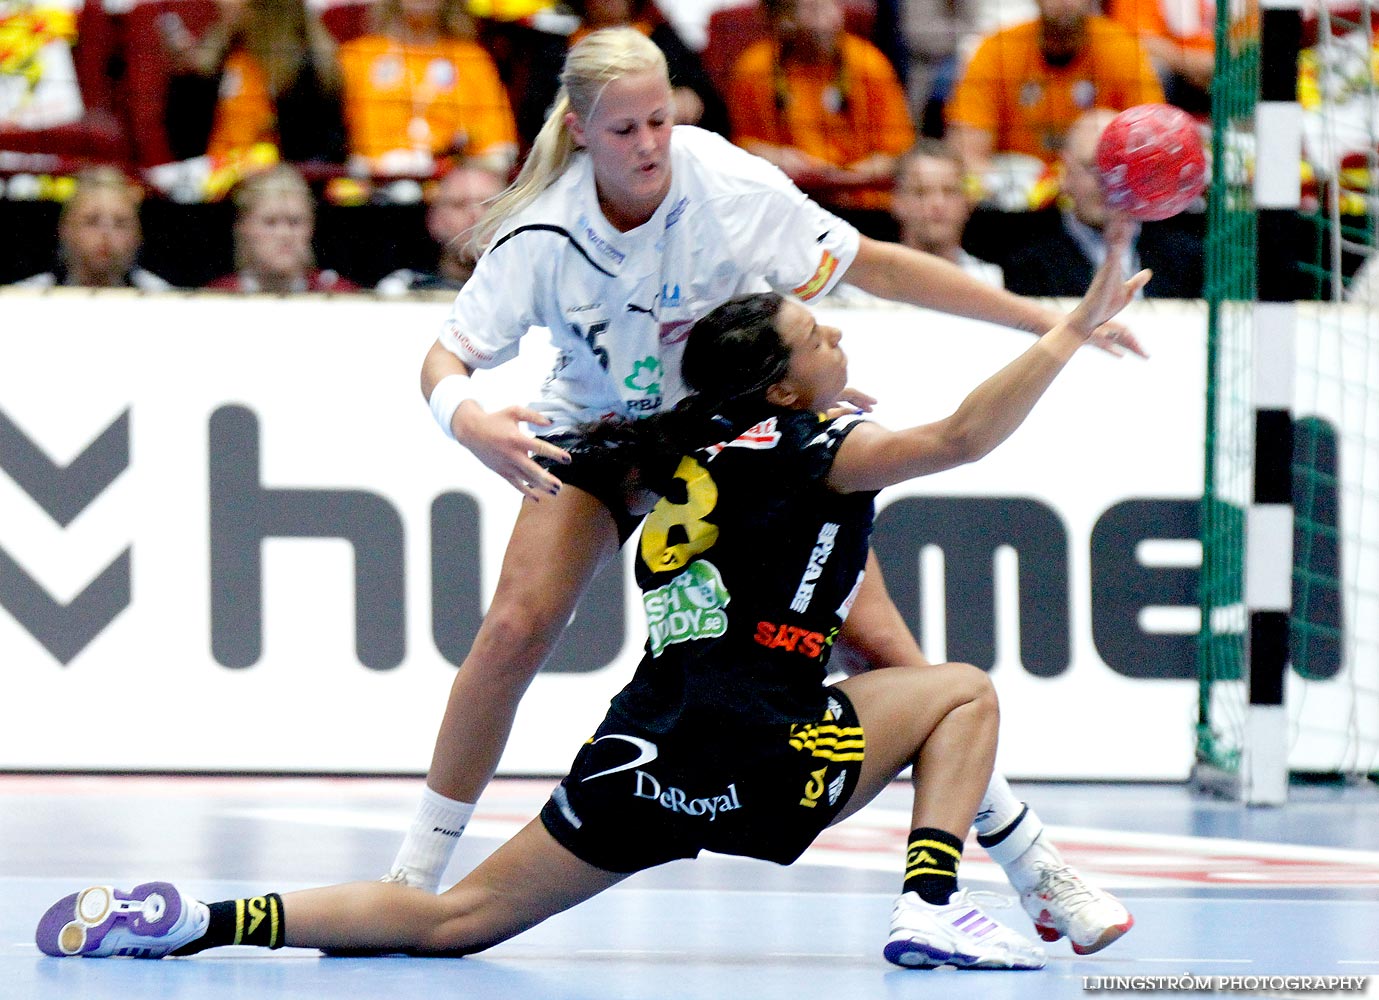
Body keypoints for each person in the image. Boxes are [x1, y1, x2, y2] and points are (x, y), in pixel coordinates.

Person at [35, 225, 1150, 966]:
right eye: (819, 332)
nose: (839, 332)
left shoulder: (670, 449)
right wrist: (1059, 329)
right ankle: (927, 901)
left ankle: (194, 919)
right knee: (954, 692)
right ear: (779, 380)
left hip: (646, 749)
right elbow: (959, 434)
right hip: (761, 743)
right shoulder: (814, 444)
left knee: (454, 919)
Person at [403, 27, 1137, 957]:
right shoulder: (544, 230)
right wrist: (468, 419)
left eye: (660, 120)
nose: (648, 145)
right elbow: (444, 356)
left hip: (729, 440)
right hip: (602, 441)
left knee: (892, 657)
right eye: (624, 128)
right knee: (512, 630)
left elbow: (870, 262)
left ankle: (1034, 872)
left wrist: (1046, 318)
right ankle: (414, 877)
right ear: (579, 131)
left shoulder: (725, 183)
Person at [725, 0, 915, 222]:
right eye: (813, 9)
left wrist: (845, 178)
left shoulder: (870, 64)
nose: (829, 18)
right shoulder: (754, 68)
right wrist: (777, 157)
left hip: (863, 208)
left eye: (831, 5)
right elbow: (740, 147)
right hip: (783, 207)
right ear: (785, 19)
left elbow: (897, 155)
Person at [945, 0, 1164, 181]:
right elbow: (966, 154)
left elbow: (1150, 149)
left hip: (1097, 197)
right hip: (1018, 211)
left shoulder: (1122, 48)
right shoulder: (997, 49)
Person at [1004, 108, 1203, 298]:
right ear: (1065, 170)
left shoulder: (1188, 259)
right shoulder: (1028, 266)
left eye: (1119, 169)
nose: (1108, 182)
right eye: (1093, 167)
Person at [337, 0, 518, 176]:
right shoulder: (355, 57)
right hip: (371, 187)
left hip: (450, 189)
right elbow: (336, 139)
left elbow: (498, 148)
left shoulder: (473, 60)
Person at [159, 0, 348, 164]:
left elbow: (325, 153)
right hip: (217, 184)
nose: (221, 2)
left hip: (282, 188)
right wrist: (184, 80)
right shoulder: (219, 58)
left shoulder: (310, 68)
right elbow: (185, 147)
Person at [12, 167, 174, 290]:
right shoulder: (26, 298)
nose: (106, 234)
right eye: (92, 220)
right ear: (66, 228)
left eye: (120, 223)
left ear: (138, 234)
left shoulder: (164, 299)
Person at [206, 164, 360, 293]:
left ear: (311, 227)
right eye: (270, 222)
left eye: (295, 222)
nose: (284, 234)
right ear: (243, 227)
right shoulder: (215, 298)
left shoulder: (340, 296)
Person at [376, 160, 507, 295]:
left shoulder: (525, 290)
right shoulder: (401, 289)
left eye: (489, 204)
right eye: (459, 205)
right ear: (434, 220)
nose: (475, 215)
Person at [891, 138, 1003, 286]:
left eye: (949, 191)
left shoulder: (988, 281)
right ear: (898, 202)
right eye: (921, 192)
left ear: (966, 202)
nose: (937, 203)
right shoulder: (868, 283)